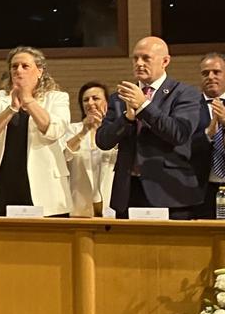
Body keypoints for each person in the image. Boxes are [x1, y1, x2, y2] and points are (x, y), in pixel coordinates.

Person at [96, 37, 202, 220]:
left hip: (169, 192)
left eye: (146, 58)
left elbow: (179, 133)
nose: (139, 63)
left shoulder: (185, 94)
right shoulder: (120, 97)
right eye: (135, 58)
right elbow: (103, 141)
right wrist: (127, 118)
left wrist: (144, 106)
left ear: (165, 61)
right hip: (128, 191)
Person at [0, 46, 71, 217]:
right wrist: (11, 109)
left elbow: (55, 130)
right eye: (14, 66)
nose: (18, 70)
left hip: (45, 188)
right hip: (4, 184)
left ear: (40, 71)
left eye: (25, 66)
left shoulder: (57, 97)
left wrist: (28, 100)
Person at [64, 82, 116, 217]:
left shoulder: (115, 129)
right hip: (80, 202)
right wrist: (84, 131)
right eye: (85, 100)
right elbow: (64, 156)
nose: (90, 103)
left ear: (107, 102)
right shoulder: (73, 129)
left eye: (95, 98)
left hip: (109, 200)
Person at [191, 52, 224, 219]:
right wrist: (209, 133)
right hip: (201, 190)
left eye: (216, 72)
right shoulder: (188, 107)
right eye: (205, 73)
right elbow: (183, 146)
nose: (210, 77)